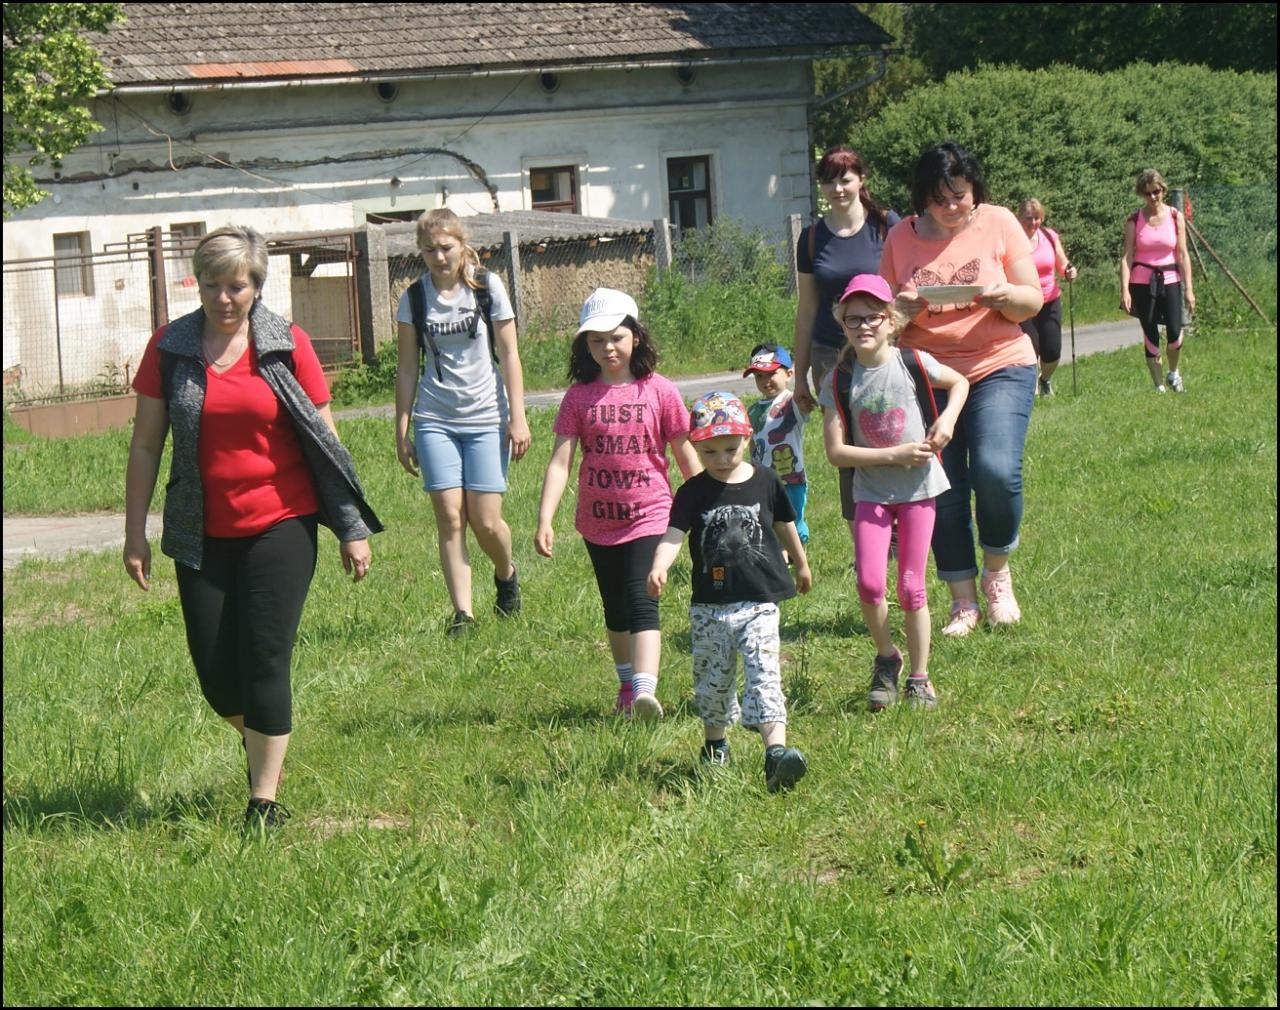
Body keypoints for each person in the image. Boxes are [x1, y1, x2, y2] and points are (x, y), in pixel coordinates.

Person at [123, 225, 382, 831]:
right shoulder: (171, 347)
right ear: (198, 284)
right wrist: (135, 532)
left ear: (256, 286)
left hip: (281, 522)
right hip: (200, 530)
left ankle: (263, 801)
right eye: (211, 285)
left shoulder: (286, 344)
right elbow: (145, 446)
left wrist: (349, 526)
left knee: (265, 658)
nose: (223, 297)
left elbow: (326, 441)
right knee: (217, 676)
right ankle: (266, 739)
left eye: (236, 286)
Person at [879, 141, 1044, 636]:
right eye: (940, 199)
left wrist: (1006, 297)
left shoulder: (999, 222)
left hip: (1000, 364)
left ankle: (997, 575)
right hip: (928, 376)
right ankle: (962, 600)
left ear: (975, 191)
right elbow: (882, 324)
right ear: (922, 197)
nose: (952, 207)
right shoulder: (899, 239)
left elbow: (1032, 300)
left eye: (960, 196)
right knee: (942, 487)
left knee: (996, 470)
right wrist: (899, 312)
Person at [535, 288, 701, 720]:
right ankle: (627, 685)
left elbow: (684, 451)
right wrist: (545, 518)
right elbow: (560, 463)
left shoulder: (660, 391)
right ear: (585, 346)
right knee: (614, 607)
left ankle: (645, 691)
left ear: (636, 337)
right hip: (598, 521)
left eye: (616, 337)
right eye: (597, 340)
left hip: (651, 514)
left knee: (642, 598)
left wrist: (705, 503)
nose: (608, 347)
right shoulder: (579, 398)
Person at [647, 391, 811, 790]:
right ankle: (715, 744)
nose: (721, 459)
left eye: (730, 449)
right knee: (713, 680)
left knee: (765, 673)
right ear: (695, 446)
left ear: (747, 438)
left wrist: (801, 562)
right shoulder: (693, 492)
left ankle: (776, 753)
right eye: (710, 452)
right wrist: (659, 565)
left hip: (760, 601)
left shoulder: (767, 481)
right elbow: (674, 533)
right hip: (710, 606)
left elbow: (784, 524)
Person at [819, 275, 969, 709]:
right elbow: (835, 453)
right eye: (853, 319)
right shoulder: (839, 379)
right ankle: (888, 657)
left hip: (919, 489)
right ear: (842, 324)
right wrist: (894, 454)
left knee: (911, 587)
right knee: (869, 583)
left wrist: (947, 420)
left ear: (891, 320)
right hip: (871, 492)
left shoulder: (913, 362)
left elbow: (959, 384)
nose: (863, 326)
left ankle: (920, 678)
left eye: (872, 317)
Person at [395, 209, 531, 635]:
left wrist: (518, 417)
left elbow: (509, 355)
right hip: (435, 418)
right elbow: (406, 369)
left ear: (461, 244)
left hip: (488, 416)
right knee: (450, 516)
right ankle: (463, 614)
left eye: (446, 247)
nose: (439, 257)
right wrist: (401, 429)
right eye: (429, 250)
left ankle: (506, 573)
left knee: (485, 520)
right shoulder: (414, 298)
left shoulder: (487, 287)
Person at [792, 145, 902, 545]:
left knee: (891, 430)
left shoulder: (887, 225)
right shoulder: (811, 239)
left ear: (861, 180)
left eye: (845, 179)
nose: (837, 188)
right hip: (830, 353)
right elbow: (807, 309)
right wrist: (799, 377)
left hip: (882, 350)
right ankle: (867, 542)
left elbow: (904, 290)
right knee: (846, 445)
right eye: (828, 181)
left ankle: (901, 523)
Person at [1120, 169, 1195, 393]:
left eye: (1156, 192)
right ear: (1141, 194)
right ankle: (1159, 385)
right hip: (1142, 282)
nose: (1153, 197)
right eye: (1147, 193)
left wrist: (1189, 289)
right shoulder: (1134, 220)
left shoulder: (1174, 216)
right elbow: (1127, 257)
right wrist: (1125, 290)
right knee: (1150, 332)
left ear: (1163, 190)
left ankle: (1173, 372)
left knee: (1175, 331)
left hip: (1171, 279)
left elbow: (1183, 254)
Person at [743, 343, 811, 544]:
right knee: (769, 522)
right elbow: (753, 442)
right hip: (764, 480)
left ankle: (798, 555)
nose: (765, 381)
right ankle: (780, 554)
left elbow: (805, 405)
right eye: (759, 376)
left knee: (793, 521)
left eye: (771, 374)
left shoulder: (792, 402)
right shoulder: (753, 410)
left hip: (791, 478)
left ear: (789, 374)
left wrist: (804, 395)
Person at [1015, 198, 1077, 397]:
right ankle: (1030, 389)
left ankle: (1045, 380)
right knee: (1030, 346)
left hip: (1050, 300)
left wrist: (1068, 270)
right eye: (1028, 218)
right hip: (1024, 302)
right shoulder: (1013, 240)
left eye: (1037, 218)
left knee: (1052, 350)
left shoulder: (1049, 236)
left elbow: (1062, 263)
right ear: (1019, 218)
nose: (1033, 223)